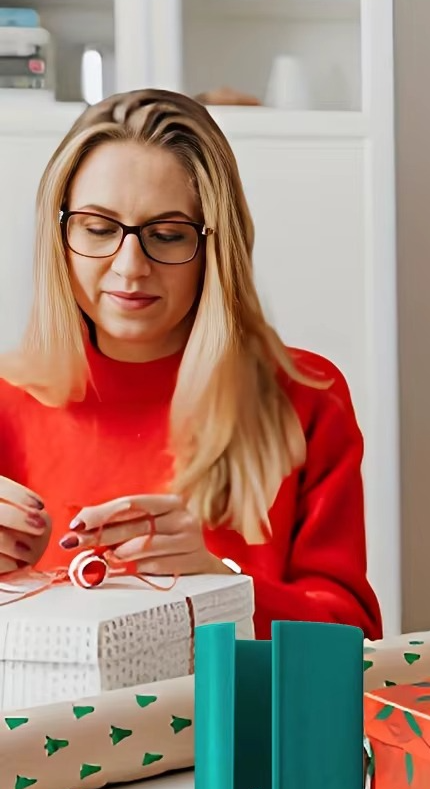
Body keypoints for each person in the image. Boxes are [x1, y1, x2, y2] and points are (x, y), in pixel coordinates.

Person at [0, 88, 382, 642]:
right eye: (99, 229)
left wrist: (218, 585)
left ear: (215, 247)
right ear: (59, 235)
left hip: (238, 727)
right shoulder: (8, 400)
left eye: (168, 235)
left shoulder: (304, 395)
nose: (130, 268)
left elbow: (354, 639)